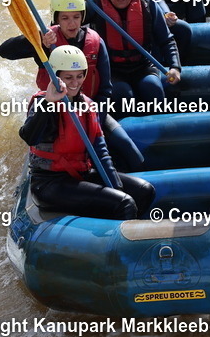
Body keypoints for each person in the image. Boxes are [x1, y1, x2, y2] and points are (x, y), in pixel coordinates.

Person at [0, 0, 144, 170]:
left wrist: (94, 120)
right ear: (56, 19)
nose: (71, 23)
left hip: (89, 111)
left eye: (76, 17)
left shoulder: (95, 41)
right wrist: (36, 39)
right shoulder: (45, 41)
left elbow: (105, 89)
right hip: (54, 116)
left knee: (130, 151)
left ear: (82, 17)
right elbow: (4, 51)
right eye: (65, 18)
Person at [20, 45, 155, 220]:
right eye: (68, 77)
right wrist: (49, 103)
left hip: (81, 175)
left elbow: (101, 153)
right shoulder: (43, 103)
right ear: (55, 76)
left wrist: (116, 187)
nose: (75, 83)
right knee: (124, 203)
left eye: (79, 76)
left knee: (144, 191)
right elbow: (29, 136)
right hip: (50, 183)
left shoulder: (89, 105)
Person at [86, 0, 183, 113]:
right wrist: (77, 0)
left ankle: (160, 129)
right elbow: (70, 23)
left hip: (143, 65)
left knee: (153, 88)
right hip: (111, 69)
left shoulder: (147, 4)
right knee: (123, 94)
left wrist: (175, 67)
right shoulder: (95, 5)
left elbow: (166, 40)